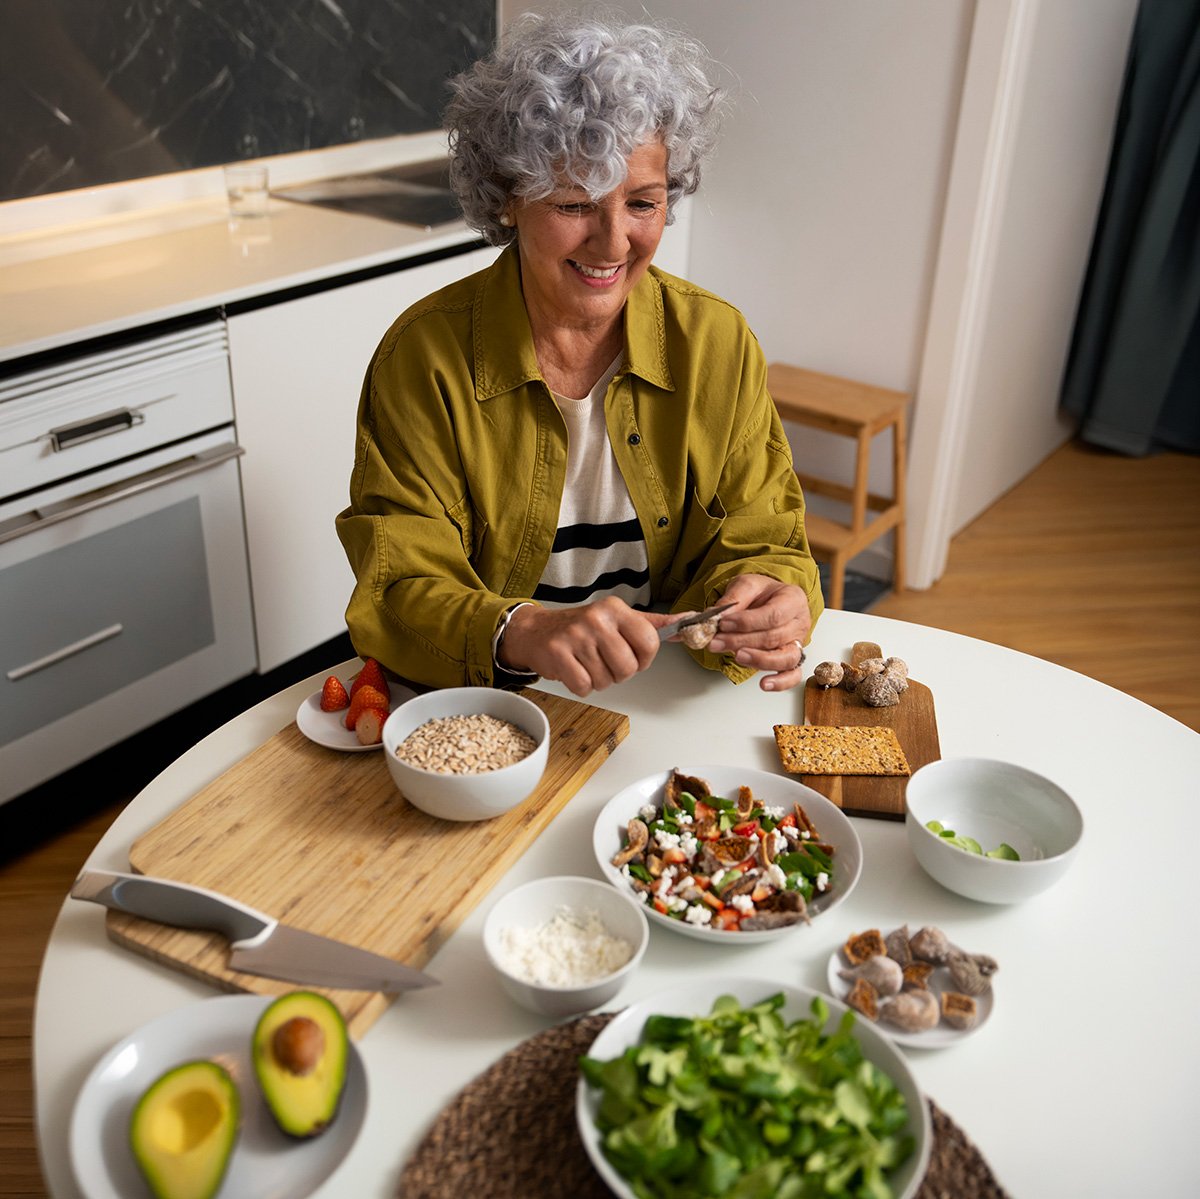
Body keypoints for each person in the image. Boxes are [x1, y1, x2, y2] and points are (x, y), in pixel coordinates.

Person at [336, 10, 823, 699]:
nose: (614, 242)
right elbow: (396, 582)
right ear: (509, 198)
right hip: (499, 706)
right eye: (574, 204)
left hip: (665, 697)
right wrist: (523, 630)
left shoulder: (718, 344)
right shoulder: (425, 357)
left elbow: (767, 533)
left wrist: (775, 596)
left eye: (643, 203)